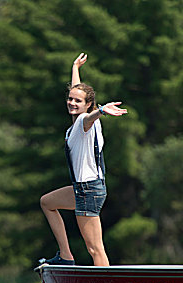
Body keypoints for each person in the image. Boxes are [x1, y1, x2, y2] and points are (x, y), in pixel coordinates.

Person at [40, 53, 127, 266]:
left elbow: (88, 117)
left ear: (88, 105)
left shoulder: (84, 122)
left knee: (95, 248)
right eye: (70, 99)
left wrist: (101, 111)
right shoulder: (79, 122)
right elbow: (79, 92)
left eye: (77, 101)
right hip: (83, 188)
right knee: (47, 202)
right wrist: (75, 67)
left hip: (88, 190)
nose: (71, 102)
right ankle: (66, 256)